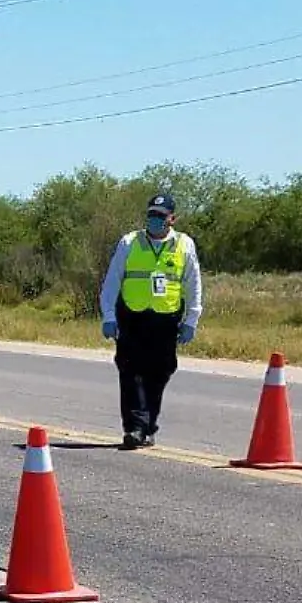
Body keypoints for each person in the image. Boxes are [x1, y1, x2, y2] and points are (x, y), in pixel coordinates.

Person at [98, 192, 203, 449]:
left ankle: (147, 426)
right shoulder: (129, 242)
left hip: (166, 319)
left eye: (160, 216)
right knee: (131, 371)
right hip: (132, 316)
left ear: (172, 219)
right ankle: (134, 428)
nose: (154, 220)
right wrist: (109, 315)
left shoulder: (184, 244)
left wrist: (191, 320)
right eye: (151, 215)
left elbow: (193, 284)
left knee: (159, 372)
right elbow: (112, 281)